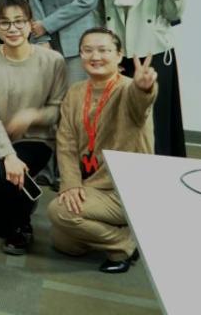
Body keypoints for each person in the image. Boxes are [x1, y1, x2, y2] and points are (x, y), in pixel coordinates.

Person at [47, 28, 158, 273]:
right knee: (64, 243)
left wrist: (144, 88)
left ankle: (124, 244)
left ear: (119, 56)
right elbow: (65, 143)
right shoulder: (76, 91)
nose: (95, 56)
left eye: (104, 50)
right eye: (87, 50)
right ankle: (117, 231)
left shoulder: (128, 89)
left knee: (59, 211)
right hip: (92, 184)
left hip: (125, 189)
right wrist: (70, 183)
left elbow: (140, 104)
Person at [0, 0, 67, 255]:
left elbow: (58, 110)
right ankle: (25, 193)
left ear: (30, 24)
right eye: (4, 23)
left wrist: (32, 116)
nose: (12, 29)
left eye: (19, 22)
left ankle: (23, 225)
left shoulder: (53, 60)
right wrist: (9, 155)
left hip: (34, 139)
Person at [98, 0, 192, 157]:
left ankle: (160, 172)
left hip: (153, 51)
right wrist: (104, 52)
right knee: (117, 117)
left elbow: (173, 14)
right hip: (116, 55)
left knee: (156, 120)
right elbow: (97, 13)